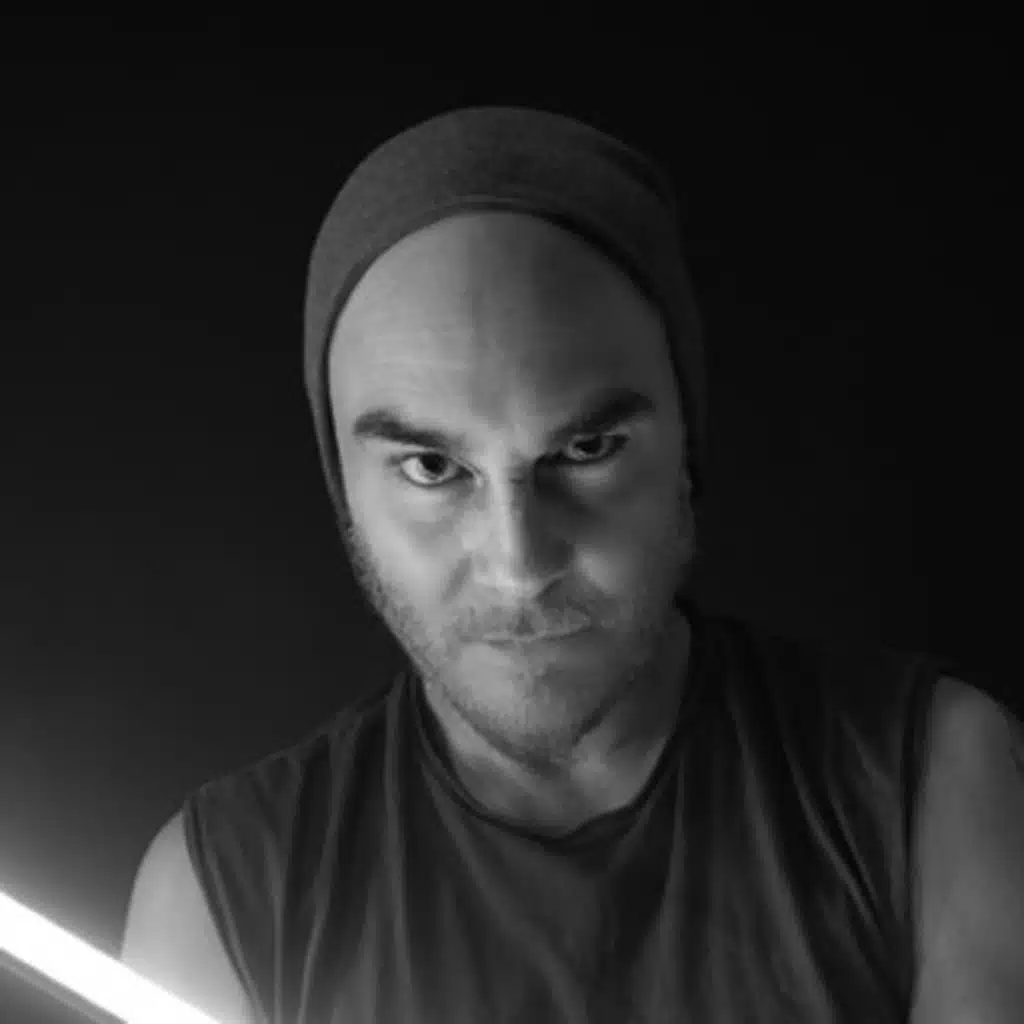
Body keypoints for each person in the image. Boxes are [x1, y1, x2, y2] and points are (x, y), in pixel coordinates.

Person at [119, 107, 1024, 1022]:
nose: (518, 564)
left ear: (686, 443)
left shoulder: (932, 782)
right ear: (341, 482)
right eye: (432, 468)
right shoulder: (221, 897)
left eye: (586, 450)